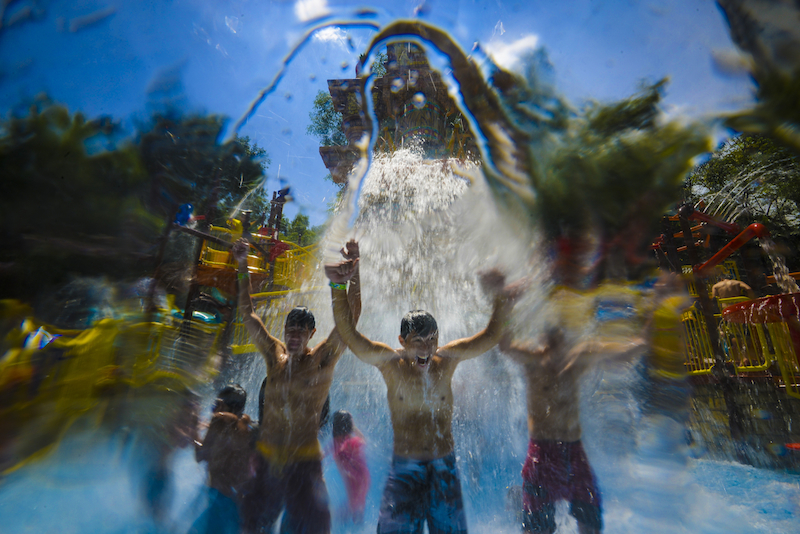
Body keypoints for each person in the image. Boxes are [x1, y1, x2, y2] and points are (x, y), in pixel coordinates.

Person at [325, 254, 521, 534]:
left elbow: (490, 337)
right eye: (418, 341)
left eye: (432, 340)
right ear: (402, 342)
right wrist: (337, 286)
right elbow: (349, 334)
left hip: (444, 468)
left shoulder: (447, 360)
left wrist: (501, 297)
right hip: (406, 469)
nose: (427, 349)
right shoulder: (390, 364)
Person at [232, 237, 361, 534]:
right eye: (290, 330)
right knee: (250, 526)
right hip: (267, 461)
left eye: (301, 332)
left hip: (303, 465)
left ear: (311, 333)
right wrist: (241, 265)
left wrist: (353, 274)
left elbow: (350, 322)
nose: (294, 336)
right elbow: (248, 313)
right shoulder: (273, 354)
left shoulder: (321, 361)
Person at [499, 327, 644, 534]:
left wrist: (644, 337)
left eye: (562, 346)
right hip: (543, 453)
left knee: (591, 521)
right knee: (537, 528)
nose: (559, 354)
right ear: (544, 347)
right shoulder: (532, 363)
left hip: (574, 453)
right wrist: (506, 305)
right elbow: (505, 346)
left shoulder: (576, 362)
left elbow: (621, 353)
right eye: (553, 346)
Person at [190, 384, 254, 534]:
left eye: (216, 403)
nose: (213, 407)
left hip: (217, 499)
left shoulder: (220, 420)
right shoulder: (245, 426)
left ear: (223, 403)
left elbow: (200, 456)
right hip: (234, 503)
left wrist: (194, 429)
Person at [331, 410, 371, 523]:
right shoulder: (352, 441)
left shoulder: (338, 442)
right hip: (363, 477)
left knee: (351, 506)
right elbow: (364, 441)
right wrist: (354, 428)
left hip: (354, 477)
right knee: (357, 504)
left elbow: (336, 458)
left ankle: (348, 521)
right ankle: (357, 522)